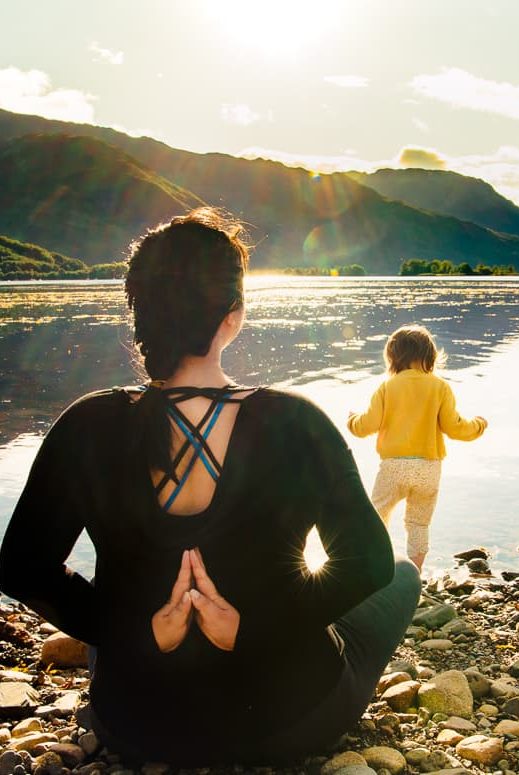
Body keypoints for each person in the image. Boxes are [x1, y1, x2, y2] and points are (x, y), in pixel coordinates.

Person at [0, 208, 421, 766]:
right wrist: (251, 629)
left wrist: (141, 632)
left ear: (140, 315)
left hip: (135, 724)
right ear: (234, 315)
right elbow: (367, 563)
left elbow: (21, 567)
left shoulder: (87, 423)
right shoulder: (295, 422)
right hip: (289, 720)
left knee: (108, 617)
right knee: (403, 574)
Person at [347, 325, 487, 571]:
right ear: (430, 356)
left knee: (375, 518)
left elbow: (365, 425)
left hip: (393, 467)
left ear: (392, 357)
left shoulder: (387, 387)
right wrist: (478, 425)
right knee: (418, 524)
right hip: (428, 468)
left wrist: (351, 420)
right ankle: (414, 574)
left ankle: (374, 568)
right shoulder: (440, 387)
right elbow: (455, 428)